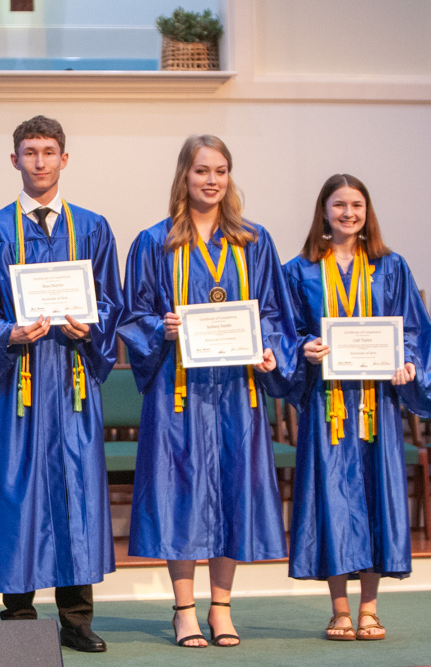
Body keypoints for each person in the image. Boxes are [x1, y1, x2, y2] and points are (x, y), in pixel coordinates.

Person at [119, 135, 298, 648]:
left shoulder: (253, 241)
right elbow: (133, 314)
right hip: (177, 392)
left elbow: (273, 313)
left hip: (237, 392)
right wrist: (161, 328)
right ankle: (184, 610)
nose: (212, 180)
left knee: (232, 491)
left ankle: (221, 608)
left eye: (220, 170)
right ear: (185, 175)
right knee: (180, 495)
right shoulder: (154, 242)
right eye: (202, 171)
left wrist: (269, 350)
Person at [0, 115, 122, 653]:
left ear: (64, 159)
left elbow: (111, 302)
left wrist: (90, 326)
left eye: (49, 152)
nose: (40, 161)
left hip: (73, 380)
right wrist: (8, 332)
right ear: (15, 160)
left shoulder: (92, 227)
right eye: (30, 152)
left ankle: (76, 619)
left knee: (77, 490)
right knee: (18, 490)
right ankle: (20, 617)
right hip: (20, 383)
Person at [284, 174, 431, 641]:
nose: (348, 213)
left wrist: (409, 363)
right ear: (323, 210)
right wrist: (303, 348)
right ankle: (339, 611)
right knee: (331, 497)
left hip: (377, 403)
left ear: (367, 211)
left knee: (374, 494)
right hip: (327, 404)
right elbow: (286, 331)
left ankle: (369, 608)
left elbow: (414, 330)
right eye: (339, 205)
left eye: (356, 205)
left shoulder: (391, 266)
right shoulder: (301, 270)